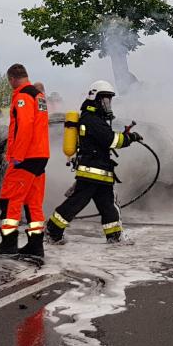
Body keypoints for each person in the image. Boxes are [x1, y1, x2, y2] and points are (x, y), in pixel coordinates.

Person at [46, 80, 142, 245]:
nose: (108, 103)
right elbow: (111, 140)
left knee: (107, 206)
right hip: (92, 170)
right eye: (105, 99)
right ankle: (53, 230)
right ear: (96, 98)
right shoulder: (91, 119)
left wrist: (125, 136)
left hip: (100, 170)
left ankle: (114, 237)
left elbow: (105, 137)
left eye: (109, 100)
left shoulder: (95, 118)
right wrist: (129, 138)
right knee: (77, 202)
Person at [0, 64, 50, 257]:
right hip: (40, 155)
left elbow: (24, 127)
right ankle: (35, 245)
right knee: (33, 202)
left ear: (12, 79)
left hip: (26, 156)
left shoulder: (23, 96)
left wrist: (17, 156)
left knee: (10, 198)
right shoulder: (39, 96)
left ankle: (8, 242)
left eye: (9, 82)